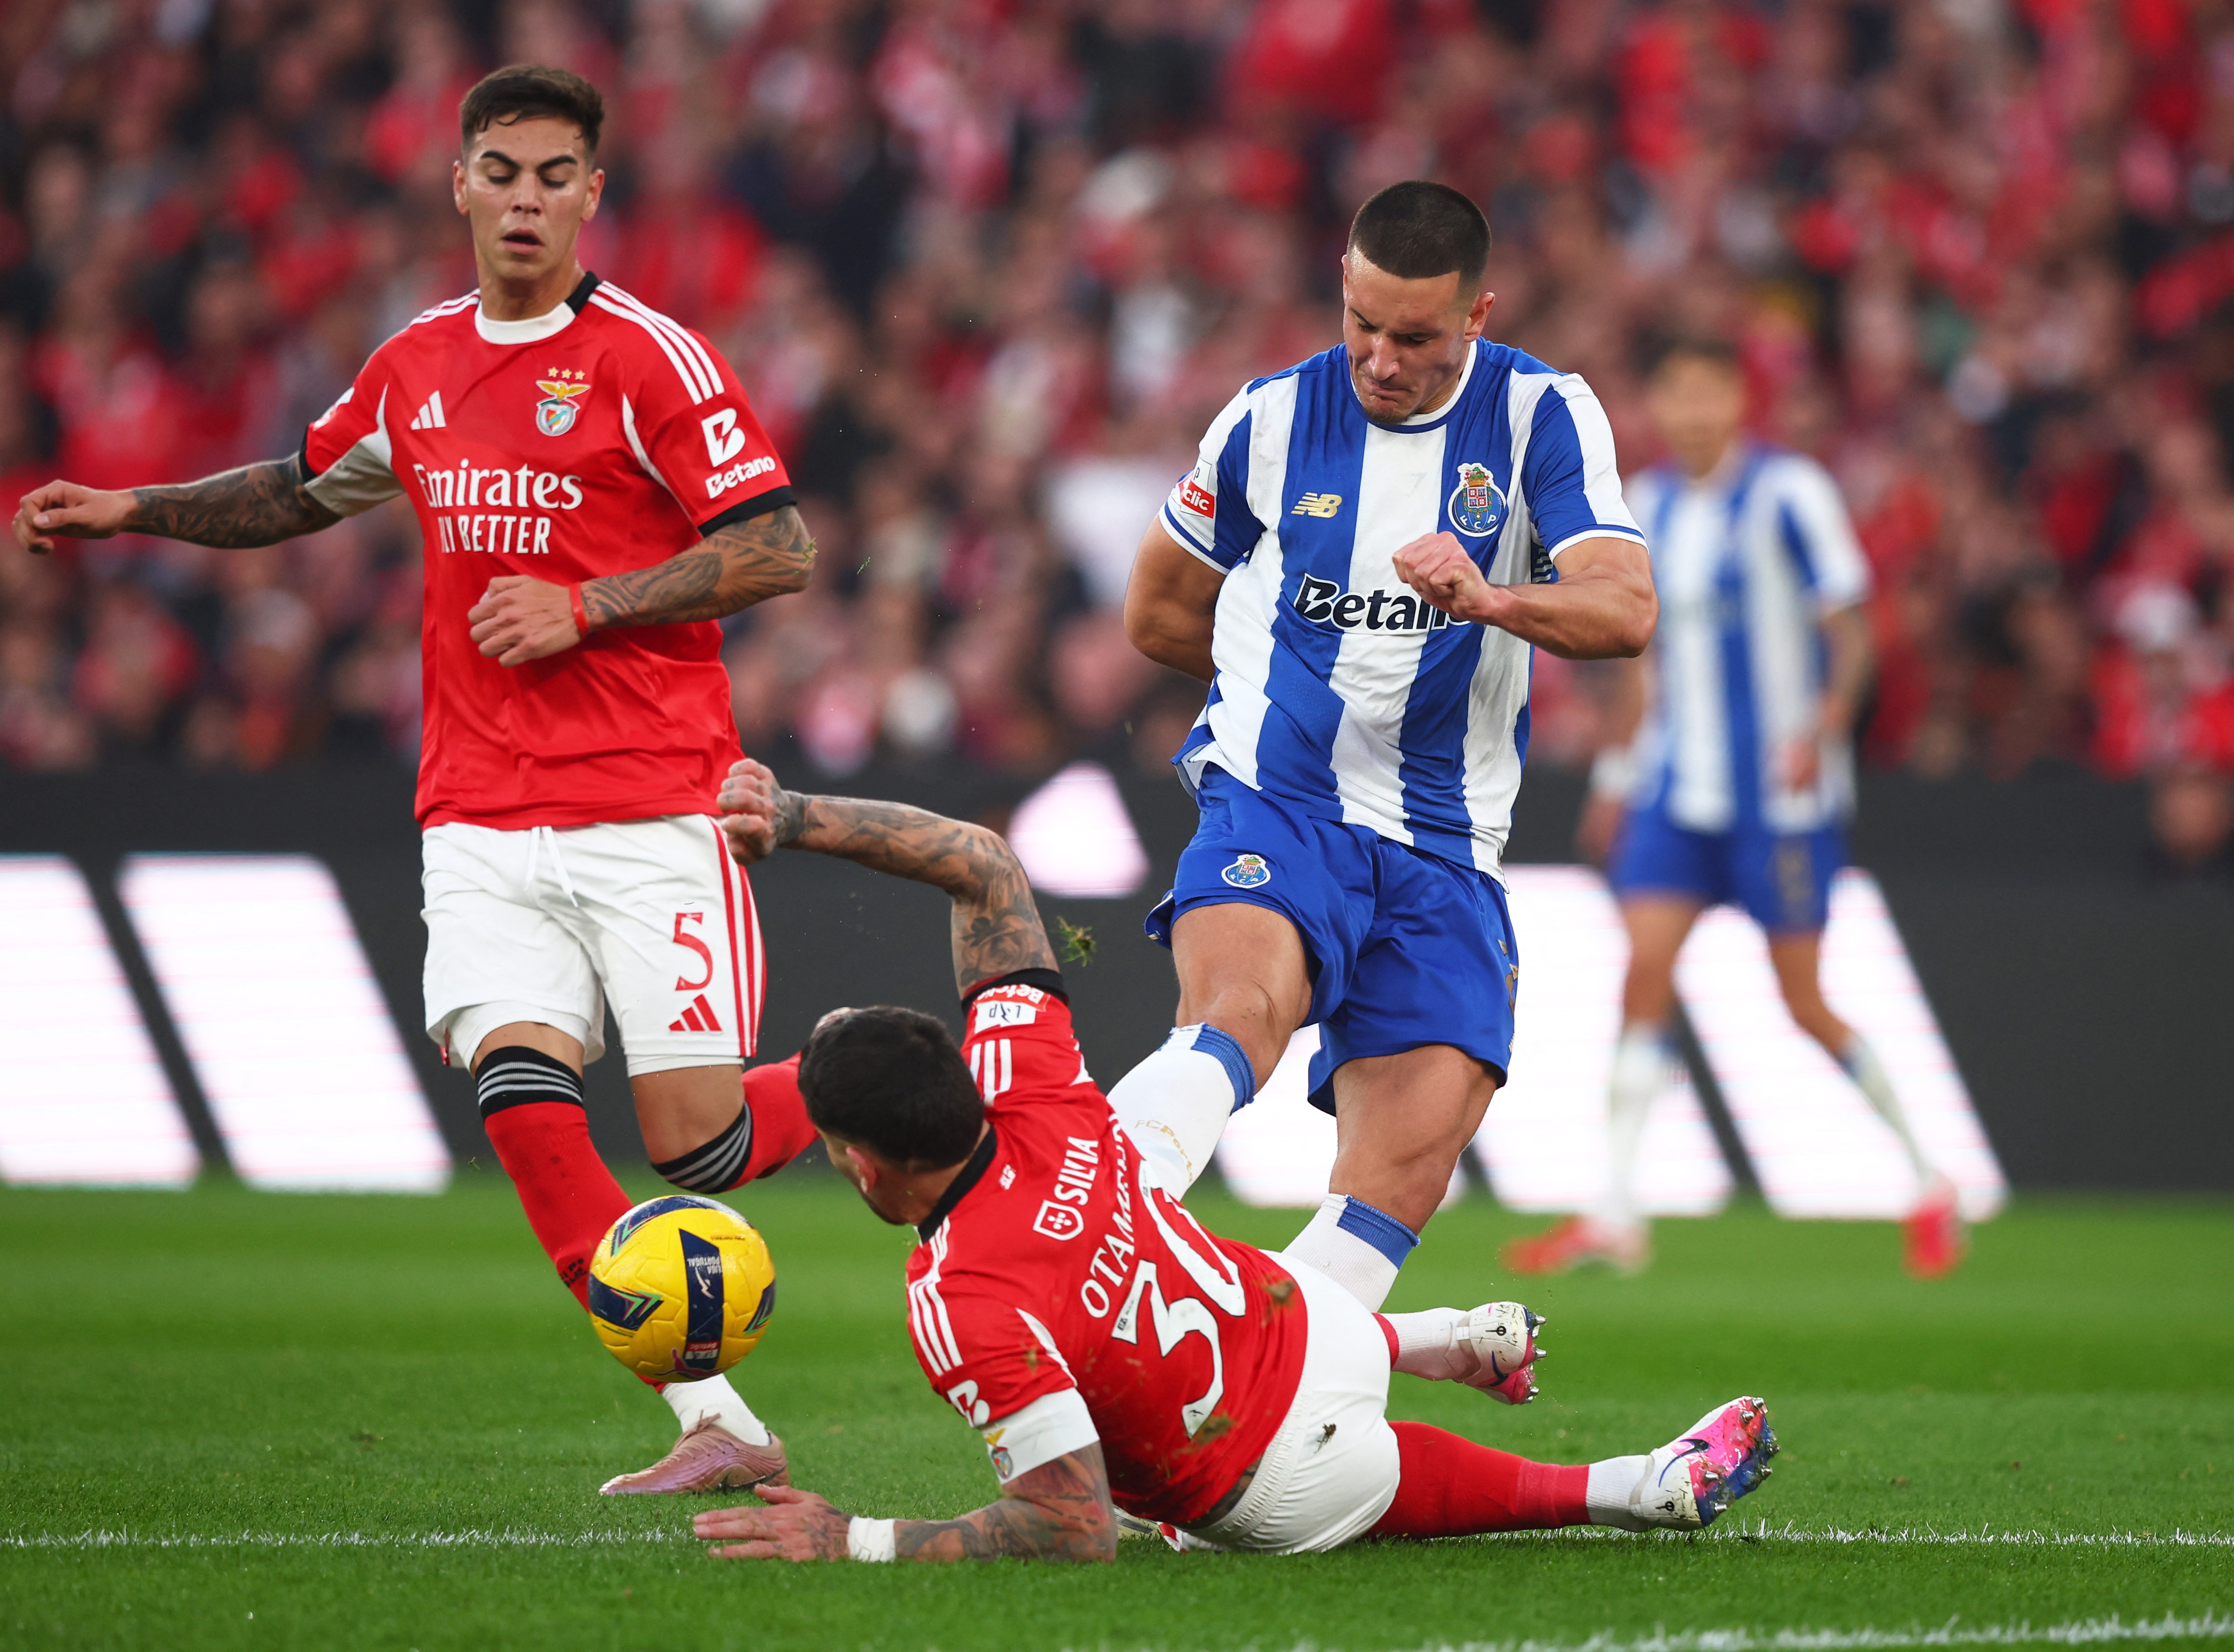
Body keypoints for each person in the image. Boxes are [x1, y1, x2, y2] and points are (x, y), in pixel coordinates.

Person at [10, 66, 825, 1490]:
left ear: (593, 193)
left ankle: (910, 1074)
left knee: (697, 1151)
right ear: (457, 181)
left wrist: (590, 606)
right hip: (477, 806)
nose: (524, 198)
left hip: (647, 797)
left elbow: (778, 548)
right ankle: (716, 1427)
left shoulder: (653, 360)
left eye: (554, 174)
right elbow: (300, 489)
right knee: (521, 1094)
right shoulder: (416, 362)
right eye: (500, 170)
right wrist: (130, 508)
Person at [691, 756, 1776, 1562]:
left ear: (866, 1166)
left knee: (1293, 1479)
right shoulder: (1028, 1076)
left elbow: (1069, 1523)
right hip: (1308, 1318)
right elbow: (980, 865)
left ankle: (1632, 1484)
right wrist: (793, 815)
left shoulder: (957, 1297)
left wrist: (855, 1538)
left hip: (1283, 1480)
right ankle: (1437, 1339)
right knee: (1177, 1220)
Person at [1111, 181, 1658, 1311]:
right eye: (1360, 323)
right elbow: (1159, 614)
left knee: (1402, 1172)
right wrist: (1278, 682)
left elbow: (1624, 608)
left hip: (1444, 836)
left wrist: (1490, 599)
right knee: (1237, 1014)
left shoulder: (1540, 417)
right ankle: (1094, 1227)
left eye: (1414, 337)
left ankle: (1253, 1386)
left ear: (1477, 316)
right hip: (1279, 797)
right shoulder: (1267, 419)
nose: (1379, 357)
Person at [1503, 338, 1964, 1280]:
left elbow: (1851, 629)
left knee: (1800, 1000)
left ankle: (1927, 1177)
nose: (1691, 413)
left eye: (1708, 394)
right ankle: (1616, 1213)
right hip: (1677, 789)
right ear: (1659, 406)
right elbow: (1641, 662)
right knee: (1642, 973)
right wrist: (1615, 781)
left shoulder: (1789, 493)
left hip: (1776, 795)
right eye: (1674, 394)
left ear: (1737, 401)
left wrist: (1825, 721)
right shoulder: (1650, 504)